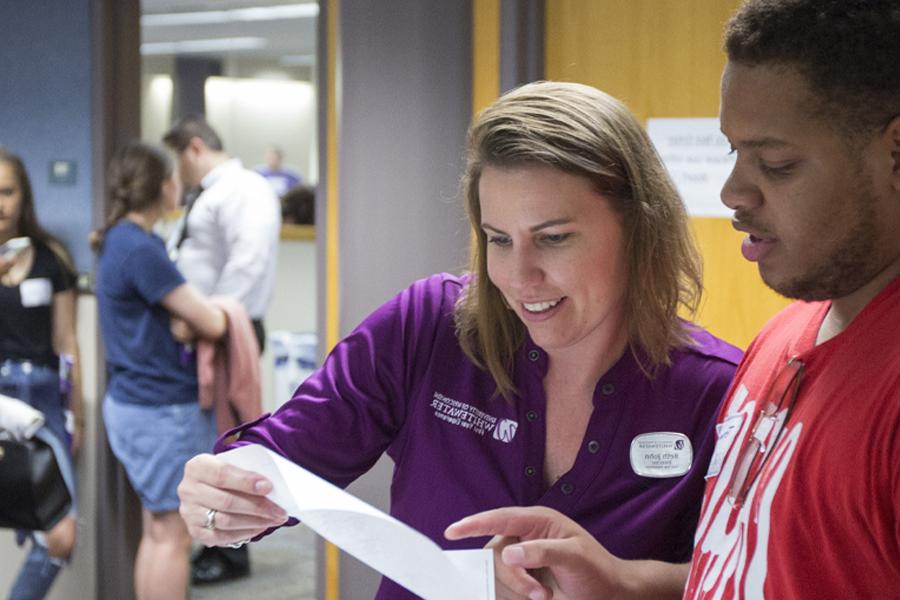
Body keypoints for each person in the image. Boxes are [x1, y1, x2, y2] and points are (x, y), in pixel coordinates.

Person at [176, 81, 743, 599]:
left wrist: (623, 584)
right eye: (499, 239)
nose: (520, 277)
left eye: (554, 239)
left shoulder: (719, 392)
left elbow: (762, 577)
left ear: (638, 228)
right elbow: (286, 455)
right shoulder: (429, 327)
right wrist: (226, 490)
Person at [445, 1, 900, 598]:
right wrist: (620, 582)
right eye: (732, 152)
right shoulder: (783, 337)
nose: (733, 191)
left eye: (777, 164)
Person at [93, 142, 228, 600]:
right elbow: (210, 320)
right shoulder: (140, 248)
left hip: (136, 403)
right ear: (164, 188)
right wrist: (213, 315)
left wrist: (181, 323)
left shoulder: (119, 239)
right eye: (175, 179)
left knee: (158, 530)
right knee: (173, 534)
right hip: (160, 410)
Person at [162, 115, 281, 583]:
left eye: (177, 161)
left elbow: (247, 263)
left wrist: (210, 317)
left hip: (228, 328)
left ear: (193, 148)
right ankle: (219, 541)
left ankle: (232, 551)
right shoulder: (212, 192)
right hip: (209, 328)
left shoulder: (244, 189)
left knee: (231, 439)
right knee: (212, 437)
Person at [0, 147, 83, 600]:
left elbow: (67, 341)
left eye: (7, 192)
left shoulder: (51, 258)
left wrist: (77, 414)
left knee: (60, 534)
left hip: (45, 398)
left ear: (23, 196)